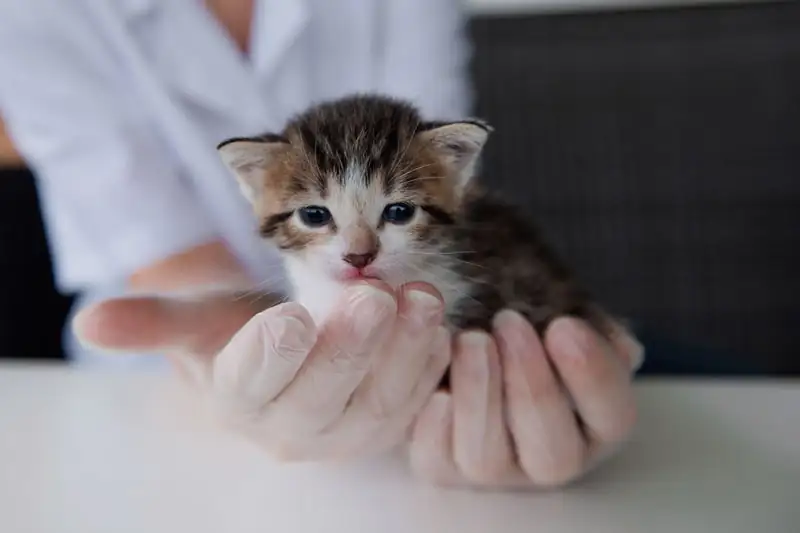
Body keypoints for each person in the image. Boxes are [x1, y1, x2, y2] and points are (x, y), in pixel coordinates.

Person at [0, 0, 643, 488]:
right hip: (154, 399)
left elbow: (438, 176)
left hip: (441, 396)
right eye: (316, 216)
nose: (357, 249)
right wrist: (226, 342)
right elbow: (171, 261)